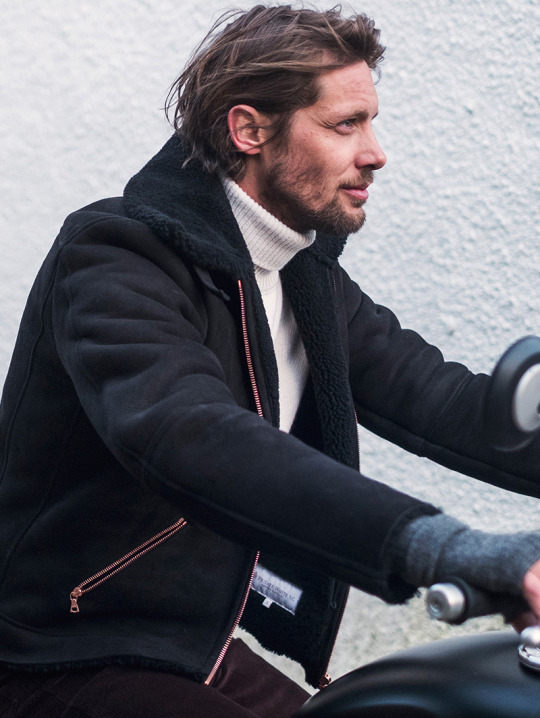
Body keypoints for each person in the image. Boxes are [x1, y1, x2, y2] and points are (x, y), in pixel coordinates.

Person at [0, 4, 540, 717]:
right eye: (345, 125)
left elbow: (439, 398)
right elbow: (193, 435)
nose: (376, 152)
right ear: (249, 131)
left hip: (191, 640)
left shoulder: (301, 273)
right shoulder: (115, 257)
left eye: (372, 122)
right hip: (57, 648)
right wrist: (445, 548)